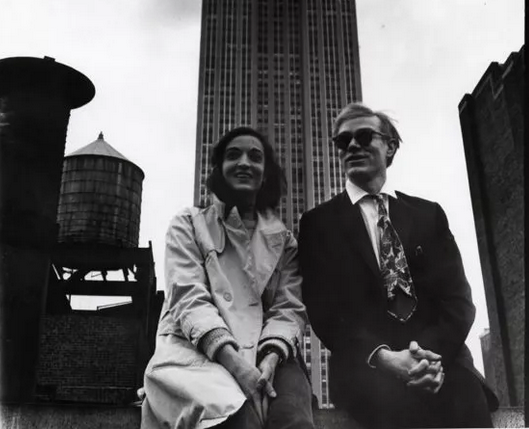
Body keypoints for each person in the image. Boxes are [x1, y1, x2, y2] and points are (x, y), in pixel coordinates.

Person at [298, 103, 498, 429]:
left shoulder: (428, 215)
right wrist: (387, 359)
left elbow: (458, 300)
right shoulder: (318, 224)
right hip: (368, 368)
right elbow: (325, 313)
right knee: (394, 406)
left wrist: (425, 358)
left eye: (363, 136)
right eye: (342, 141)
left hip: (442, 362)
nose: (351, 145)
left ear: (389, 145)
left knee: (466, 400)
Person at [141, 126, 314, 429]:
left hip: (271, 353)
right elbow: (189, 299)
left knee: (294, 420)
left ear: (266, 172)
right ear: (219, 169)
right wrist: (237, 366)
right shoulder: (188, 224)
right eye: (233, 155)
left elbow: (289, 309)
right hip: (196, 351)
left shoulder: (285, 242)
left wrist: (271, 358)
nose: (244, 162)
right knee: (236, 418)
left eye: (255, 157)